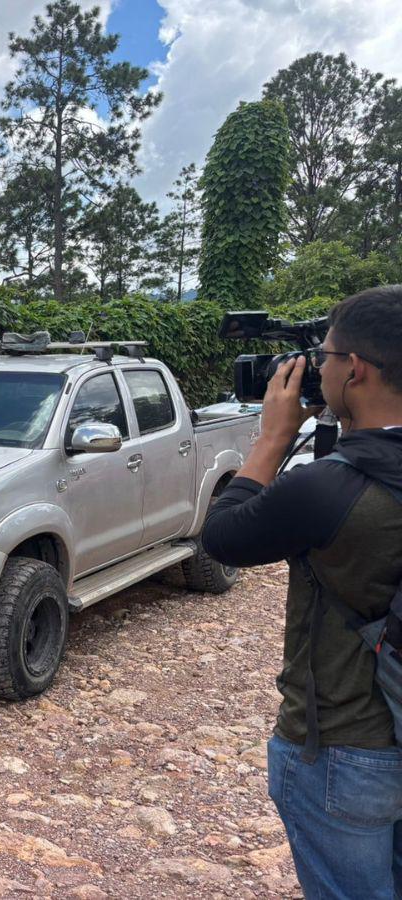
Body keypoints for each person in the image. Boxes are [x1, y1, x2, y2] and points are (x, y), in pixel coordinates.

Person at [202, 286, 402, 900]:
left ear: (357, 369)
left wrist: (271, 436)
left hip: (345, 747)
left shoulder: (325, 490)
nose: (320, 368)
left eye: (327, 357)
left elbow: (224, 536)